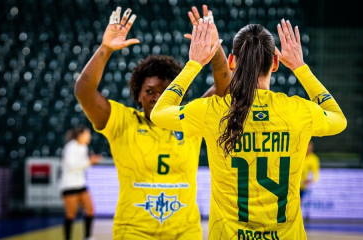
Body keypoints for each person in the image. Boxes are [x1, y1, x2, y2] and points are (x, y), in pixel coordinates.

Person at [151, 19, 347, 239]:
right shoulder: (298, 110)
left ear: (232, 62)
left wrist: (194, 63)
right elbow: (339, 119)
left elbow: (158, 113)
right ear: (274, 63)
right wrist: (301, 68)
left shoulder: (213, 110)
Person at [74, 5, 230, 239]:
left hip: (185, 231)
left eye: (165, 90)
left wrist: (215, 50)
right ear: (138, 94)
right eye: (149, 91)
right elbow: (84, 93)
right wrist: (105, 48)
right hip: (133, 231)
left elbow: (225, 92)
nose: (157, 97)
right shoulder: (122, 120)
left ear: (178, 91)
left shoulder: (191, 117)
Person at [60, 125, 101, 240]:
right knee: (70, 214)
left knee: (90, 210)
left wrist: (90, 161)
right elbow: (71, 166)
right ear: (80, 135)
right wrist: (89, 161)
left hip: (81, 184)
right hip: (69, 186)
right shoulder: (70, 147)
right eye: (88, 134)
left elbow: (82, 165)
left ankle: (88, 237)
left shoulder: (83, 147)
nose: (90, 136)